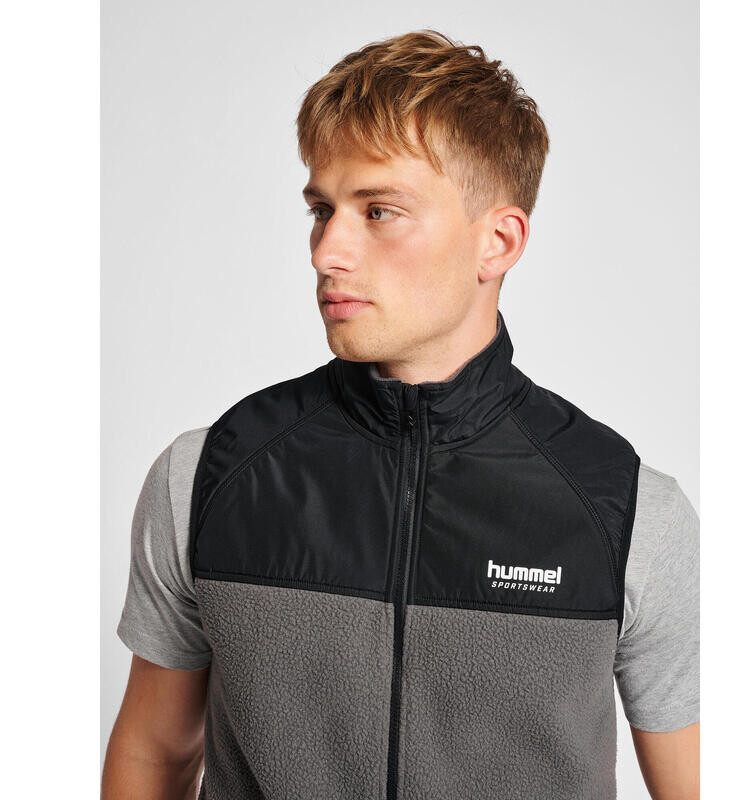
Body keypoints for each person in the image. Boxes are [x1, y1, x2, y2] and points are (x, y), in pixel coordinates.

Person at [102, 28, 699, 800]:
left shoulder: (629, 514)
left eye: (379, 210)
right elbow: (154, 753)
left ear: (498, 242)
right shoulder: (206, 478)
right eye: (322, 210)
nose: (327, 251)